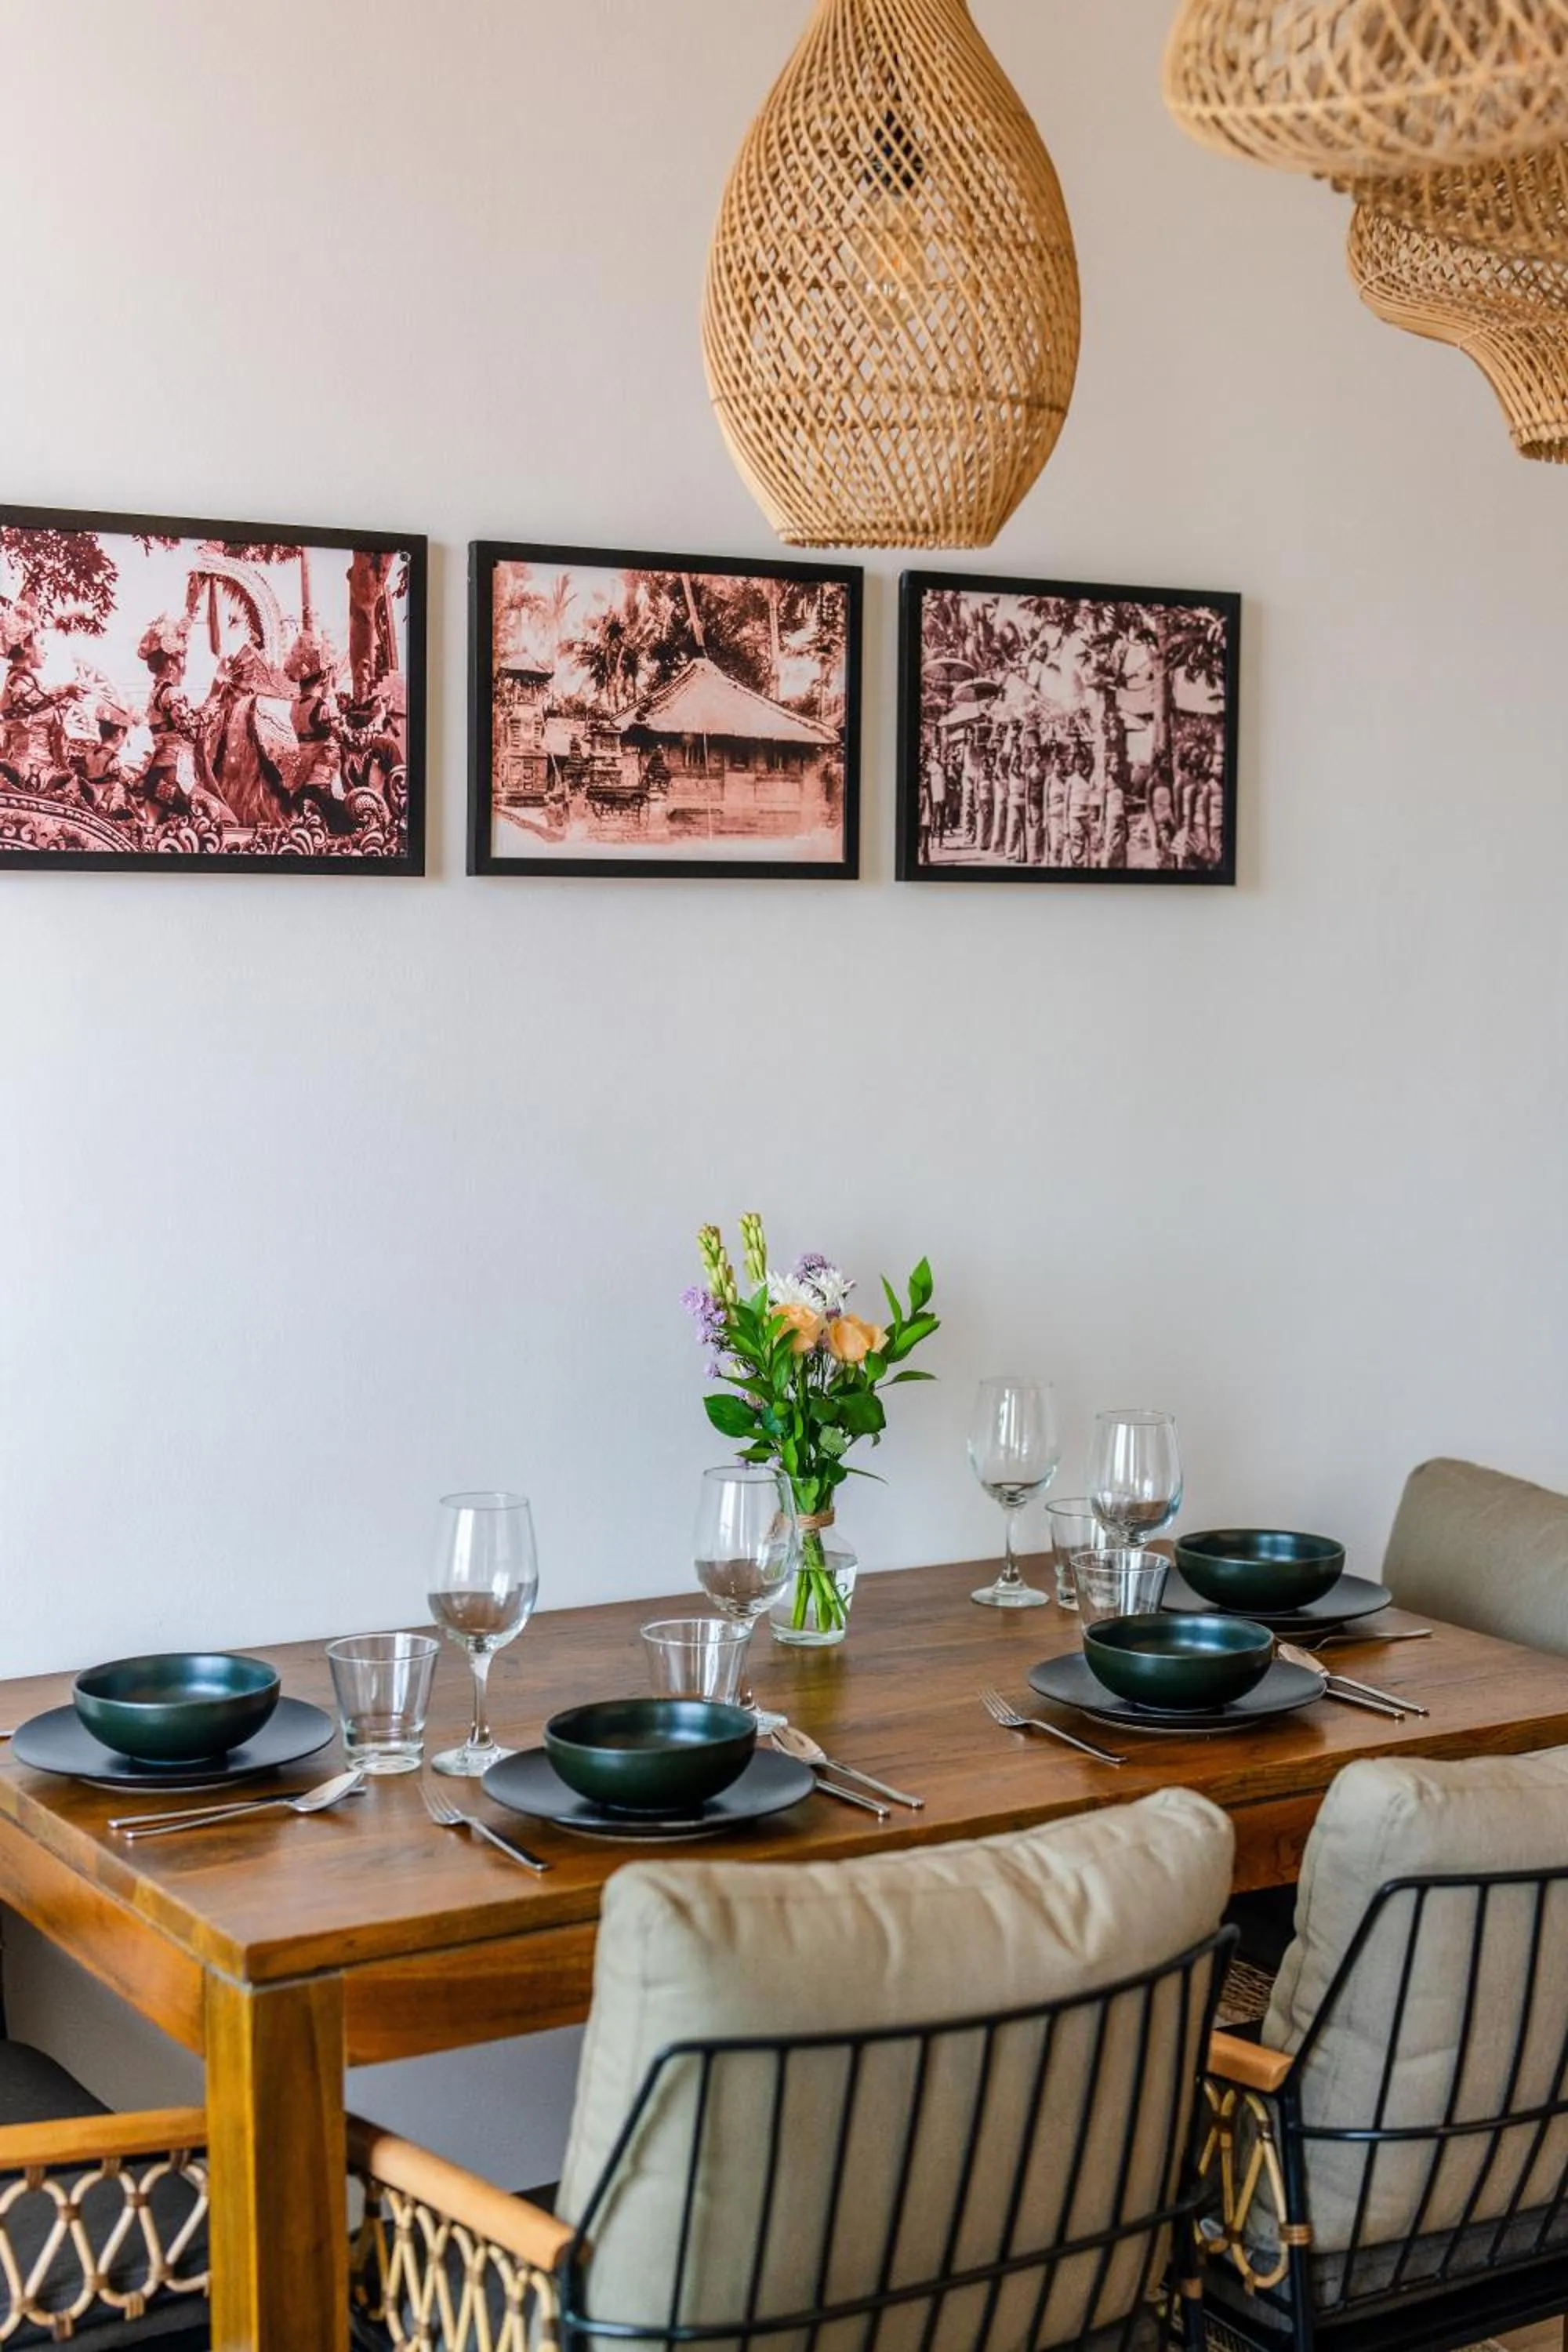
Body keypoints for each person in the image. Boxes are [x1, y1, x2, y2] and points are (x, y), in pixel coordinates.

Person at [136, 615, 234, 831]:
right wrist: (215, 696)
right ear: (172, 663)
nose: (185, 668)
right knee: (227, 822)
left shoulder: (156, 694)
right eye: (182, 659)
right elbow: (194, 730)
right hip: (174, 778)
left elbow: (184, 725)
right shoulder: (172, 692)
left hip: (157, 776)